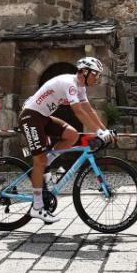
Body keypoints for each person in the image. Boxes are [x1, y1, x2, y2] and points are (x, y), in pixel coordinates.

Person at [19, 56, 115, 224]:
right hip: (31, 116)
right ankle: (37, 207)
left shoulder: (81, 87)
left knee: (72, 135)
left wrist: (104, 130)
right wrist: (98, 131)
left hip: (43, 117)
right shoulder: (70, 84)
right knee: (39, 159)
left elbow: (89, 111)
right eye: (95, 74)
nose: (97, 78)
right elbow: (78, 112)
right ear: (84, 72)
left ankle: (47, 163)